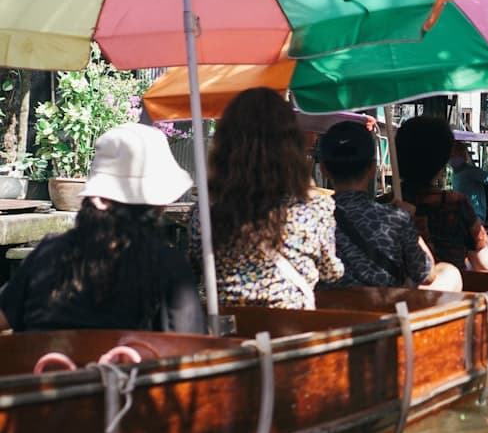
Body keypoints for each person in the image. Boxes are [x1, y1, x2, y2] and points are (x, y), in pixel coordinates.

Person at [0, 124, 205, 333]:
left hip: (42, 365)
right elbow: (190, 350)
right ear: (159, 204)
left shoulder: (46, 254)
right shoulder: (168, 266)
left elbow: (3, 318)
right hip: (128, 365)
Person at [189, 87, 343, 309]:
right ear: (292, 146)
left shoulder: (205, 213)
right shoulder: (315, 208)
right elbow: (331, 273)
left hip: (229, 336)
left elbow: (195, 268)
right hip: (291, 335)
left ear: (225, 146)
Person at [319, 121, 461, 291]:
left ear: (323, 169)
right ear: (372, 169)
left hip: (326, 310)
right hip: (380, 312)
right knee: (450, 272)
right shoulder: (395, 218)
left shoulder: (311, 219)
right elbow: (426, 274)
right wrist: (408, 220)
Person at [395, 116, 488, 272]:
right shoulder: (454, 203)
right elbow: (483, 263)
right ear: (443, 160)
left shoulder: (386, 205)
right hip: (450, 292)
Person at [449, 141, 488, 229]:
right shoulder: (455, 173)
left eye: (455, 155)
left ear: (463, 156)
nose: (452, 157)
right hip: (462, 219)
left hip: (474, 220)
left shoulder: (470, 172)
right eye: (450, 155)